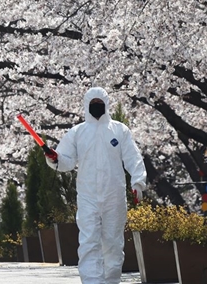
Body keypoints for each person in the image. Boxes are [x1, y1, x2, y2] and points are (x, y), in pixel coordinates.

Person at [45, 87, 146, 284]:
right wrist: (54, 159)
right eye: (93, 104)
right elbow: (66, 160)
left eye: (100, 104)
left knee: (113, 243)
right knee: (88, 241)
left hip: (114, 196)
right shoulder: (77, 132)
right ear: (86, 105)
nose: (97, 108)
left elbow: (133, 158)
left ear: (106, 105)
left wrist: (138, 183)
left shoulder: (119, 130)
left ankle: (110, 281)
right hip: (87, 196)